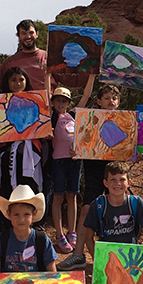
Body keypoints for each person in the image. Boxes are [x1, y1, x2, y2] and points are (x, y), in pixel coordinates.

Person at [56, 84, 122, 270]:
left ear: (118, 102)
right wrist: (74, 149)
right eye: (107, 98)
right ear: (99, 101)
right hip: (94, 172)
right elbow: (79, 144)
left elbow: (130, 147)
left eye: (114, 98)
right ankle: (78, 255)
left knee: (117, 213)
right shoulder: (88, 119)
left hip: (116, 173)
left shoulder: (125, 120)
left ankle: (116, 258)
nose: (111, 101)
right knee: (86, 210)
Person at [0, 67, 49, 232]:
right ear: (7, 82)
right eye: (13, 80)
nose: (17, 83)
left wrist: (45, 133)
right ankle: (6, 225)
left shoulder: (37, 102)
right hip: (9, 153)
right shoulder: (0, 106)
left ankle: (31, 224)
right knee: (8, 186)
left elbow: (40, 126)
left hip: (30, 153)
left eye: (20, 80)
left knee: (29, 185)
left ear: (26, 81)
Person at [78, 162, 143, 260]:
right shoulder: (98, 205)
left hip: (131, 257)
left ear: (129, 183)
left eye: (122, 180)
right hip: (107, 256)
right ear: (105, 183)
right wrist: (97, 259)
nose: (118, 184)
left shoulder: (136, 203)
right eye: (112, 180)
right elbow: (88, 237)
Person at [49, 82, 92, 254]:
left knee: (72, 196)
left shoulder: (74, 115)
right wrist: (48, 75)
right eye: (57, 100)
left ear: (68, 102)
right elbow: (45, 95)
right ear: (53, 102)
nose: (60, 104)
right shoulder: (52, 116)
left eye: (64, 101)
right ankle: (59, 234)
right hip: (58, 162)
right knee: (58, 197)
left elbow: (86, 96)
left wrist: (91, 76)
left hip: (75, 161)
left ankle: (72, 232)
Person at [0, 185, 58, 272]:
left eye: (26, 214)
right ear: (8, 214)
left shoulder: (42, 240)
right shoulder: (0, 241)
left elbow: (53, 274)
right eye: (16, 214)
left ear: (34, 214)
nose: (21, 219)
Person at [0, 19, 50, 92]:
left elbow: (65, 79)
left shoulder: (49, 57)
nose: (28, 36)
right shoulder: (10, 62)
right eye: (24, 33)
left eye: (31, 33)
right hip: (18, 102)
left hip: (46, 102)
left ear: (37, 34)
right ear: (18, 36)